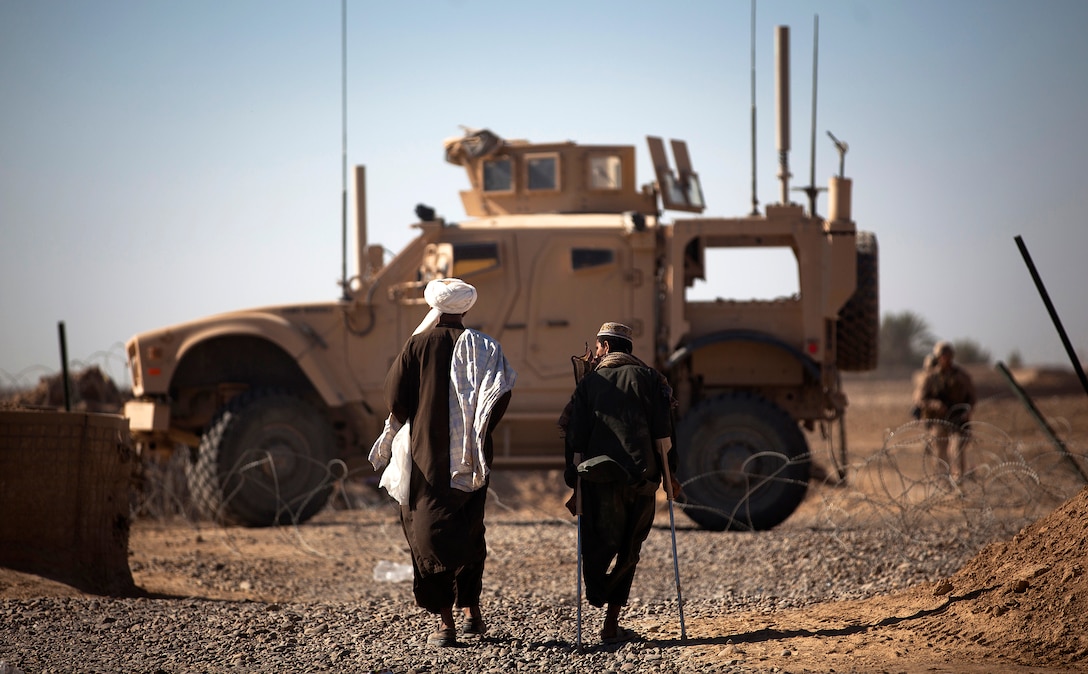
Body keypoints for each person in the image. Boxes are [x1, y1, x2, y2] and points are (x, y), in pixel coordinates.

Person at [381, 278, 516, 647]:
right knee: (471, 527)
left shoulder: (417, 345)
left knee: (428, 533)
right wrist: (476, 435)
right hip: (472, 460)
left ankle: (446, 624)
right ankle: (471, 611)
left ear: (435, 307)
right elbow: (499, 397)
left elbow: (395, 399)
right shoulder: (485, 347)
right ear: (465, 309)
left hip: (426, 461)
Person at [561, 321, 678, 644]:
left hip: (599, 481)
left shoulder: (590, 383)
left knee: (597, 546)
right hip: (642, 480)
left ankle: (597, 593)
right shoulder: (653, 379)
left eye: (598, 348)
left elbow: (575, 437)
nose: (595, 354)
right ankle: (611, 624)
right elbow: (665, 435)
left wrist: (574, 481)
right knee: (630, 548)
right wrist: (672, 476)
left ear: (606, 347)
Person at [912, 340, 976, 480]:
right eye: (942, 355)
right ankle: (943, 483)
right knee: (940, 453)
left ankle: (959, 481)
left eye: (948, 355)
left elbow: (972, 396)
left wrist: (968, 410)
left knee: (957, 450)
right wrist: (935, 405)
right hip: (939, 420)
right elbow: (919, 399)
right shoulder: (930, 377)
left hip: (958, 419)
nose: (945, 358)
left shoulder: (961, 376)